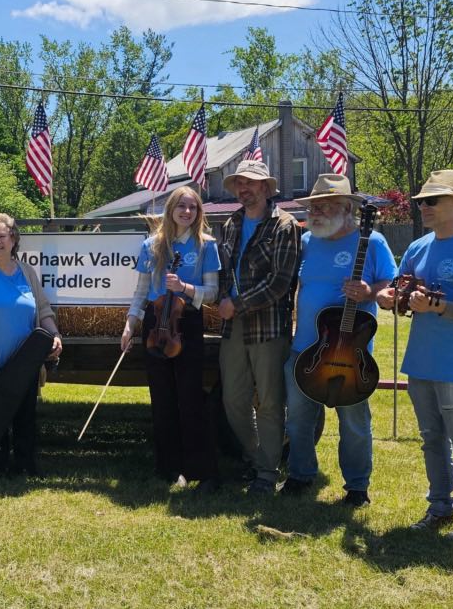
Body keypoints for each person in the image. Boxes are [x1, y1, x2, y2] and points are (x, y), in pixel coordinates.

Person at [377, 170, 453, 541]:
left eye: (432, 200)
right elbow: (398, 288)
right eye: (421, 201)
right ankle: (440, 507)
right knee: (432, 439)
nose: (424, 207)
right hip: (420, 362)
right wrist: (388, 298)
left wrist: (438, 306)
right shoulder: (417, 247)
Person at [282, 174, 396, 506]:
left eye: (326, 206)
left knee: (354, 422)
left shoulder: (371, 243)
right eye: (314, 206)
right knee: (299, 418)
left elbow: (390, 286)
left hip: (350, 353)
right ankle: (300, 474)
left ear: (348, 209)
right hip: (304, 348)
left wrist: (368, 291)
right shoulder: (307, 242)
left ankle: (357, 486)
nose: (316, 213)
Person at [119, 185, 221, 491]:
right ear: (171, 209)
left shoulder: (206, 246)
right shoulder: (151, 245)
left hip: (185, 322)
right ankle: (168, 467)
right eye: (181, 206)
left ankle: (198, 468)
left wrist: (185, 289)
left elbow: (213, 294)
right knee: (161, 397)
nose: (187, 212)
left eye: (192, 207)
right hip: (155, 322)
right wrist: (129, 324)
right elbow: (140, 292)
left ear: (198, 211)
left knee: (189, 397)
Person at [215, 159, 302, 495]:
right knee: (233, 399)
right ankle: (258, 459)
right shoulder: (232, 223)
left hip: (267, 327)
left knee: (268, 401)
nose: (243, 188)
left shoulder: (285, 225)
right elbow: (224, 273)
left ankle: (266, 473)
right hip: (233, 327)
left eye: (250, 183)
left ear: (266, 188)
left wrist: (236, 303)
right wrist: (223, 298)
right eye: (239, 183)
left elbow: (280, 283)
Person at [0, 212, 63, 477]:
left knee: (25, 415)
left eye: (2, 236)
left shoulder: (26, 271)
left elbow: (43, 308)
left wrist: (55, 335)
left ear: (13, 239)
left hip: (25, 361)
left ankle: (25, 465)